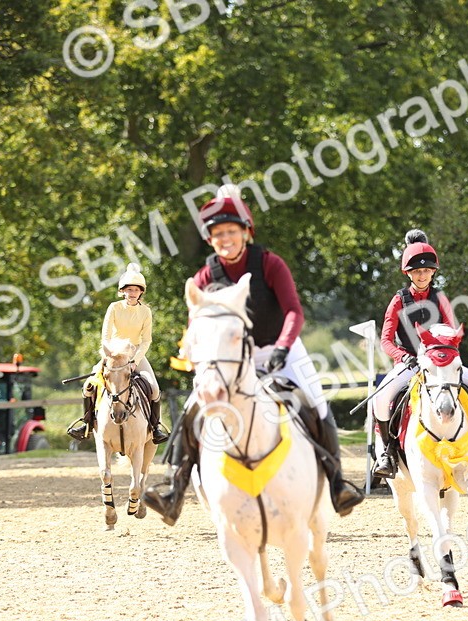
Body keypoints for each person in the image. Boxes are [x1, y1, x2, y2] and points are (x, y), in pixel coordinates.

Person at [143, 185, 364, 524]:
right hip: (232, 360)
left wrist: (282, 347)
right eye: (218, 234)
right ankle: (174, 488)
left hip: (280, 349)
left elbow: (294, 311)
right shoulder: (205, 276)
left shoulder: (270, 264)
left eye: (231, 231)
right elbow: (197, 321)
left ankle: (337, 485)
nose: (225, 238)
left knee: (315, 402)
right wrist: (197, 356)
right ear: (210, 239)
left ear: (245, 233)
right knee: (192, 410)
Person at [370, 229, 468, 479]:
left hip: (439, 363)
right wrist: (403, 357)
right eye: (417, 272)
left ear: (433, 272)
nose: (422, 275)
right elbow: (386, 340)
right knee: (381, 399)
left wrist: (445, 356)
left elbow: (452, 333)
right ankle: (388, 453)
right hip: (409, 363)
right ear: (408, 274)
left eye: (426, 271)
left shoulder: (440, 298)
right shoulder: (398, 300)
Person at [66, 265, 168, 445]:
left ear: (141, 292)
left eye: (136, 290)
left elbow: (146, 340)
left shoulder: (145, 311)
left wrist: (135, 361)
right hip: (113, 354)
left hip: (135, 353)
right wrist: (107, 356)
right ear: (122, 291)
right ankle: (87, 423)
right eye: (129, 289)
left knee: (154, 389)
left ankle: (154, 427)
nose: (133, 293)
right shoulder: (113, 307)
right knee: (88, 386)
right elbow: (105, 336)